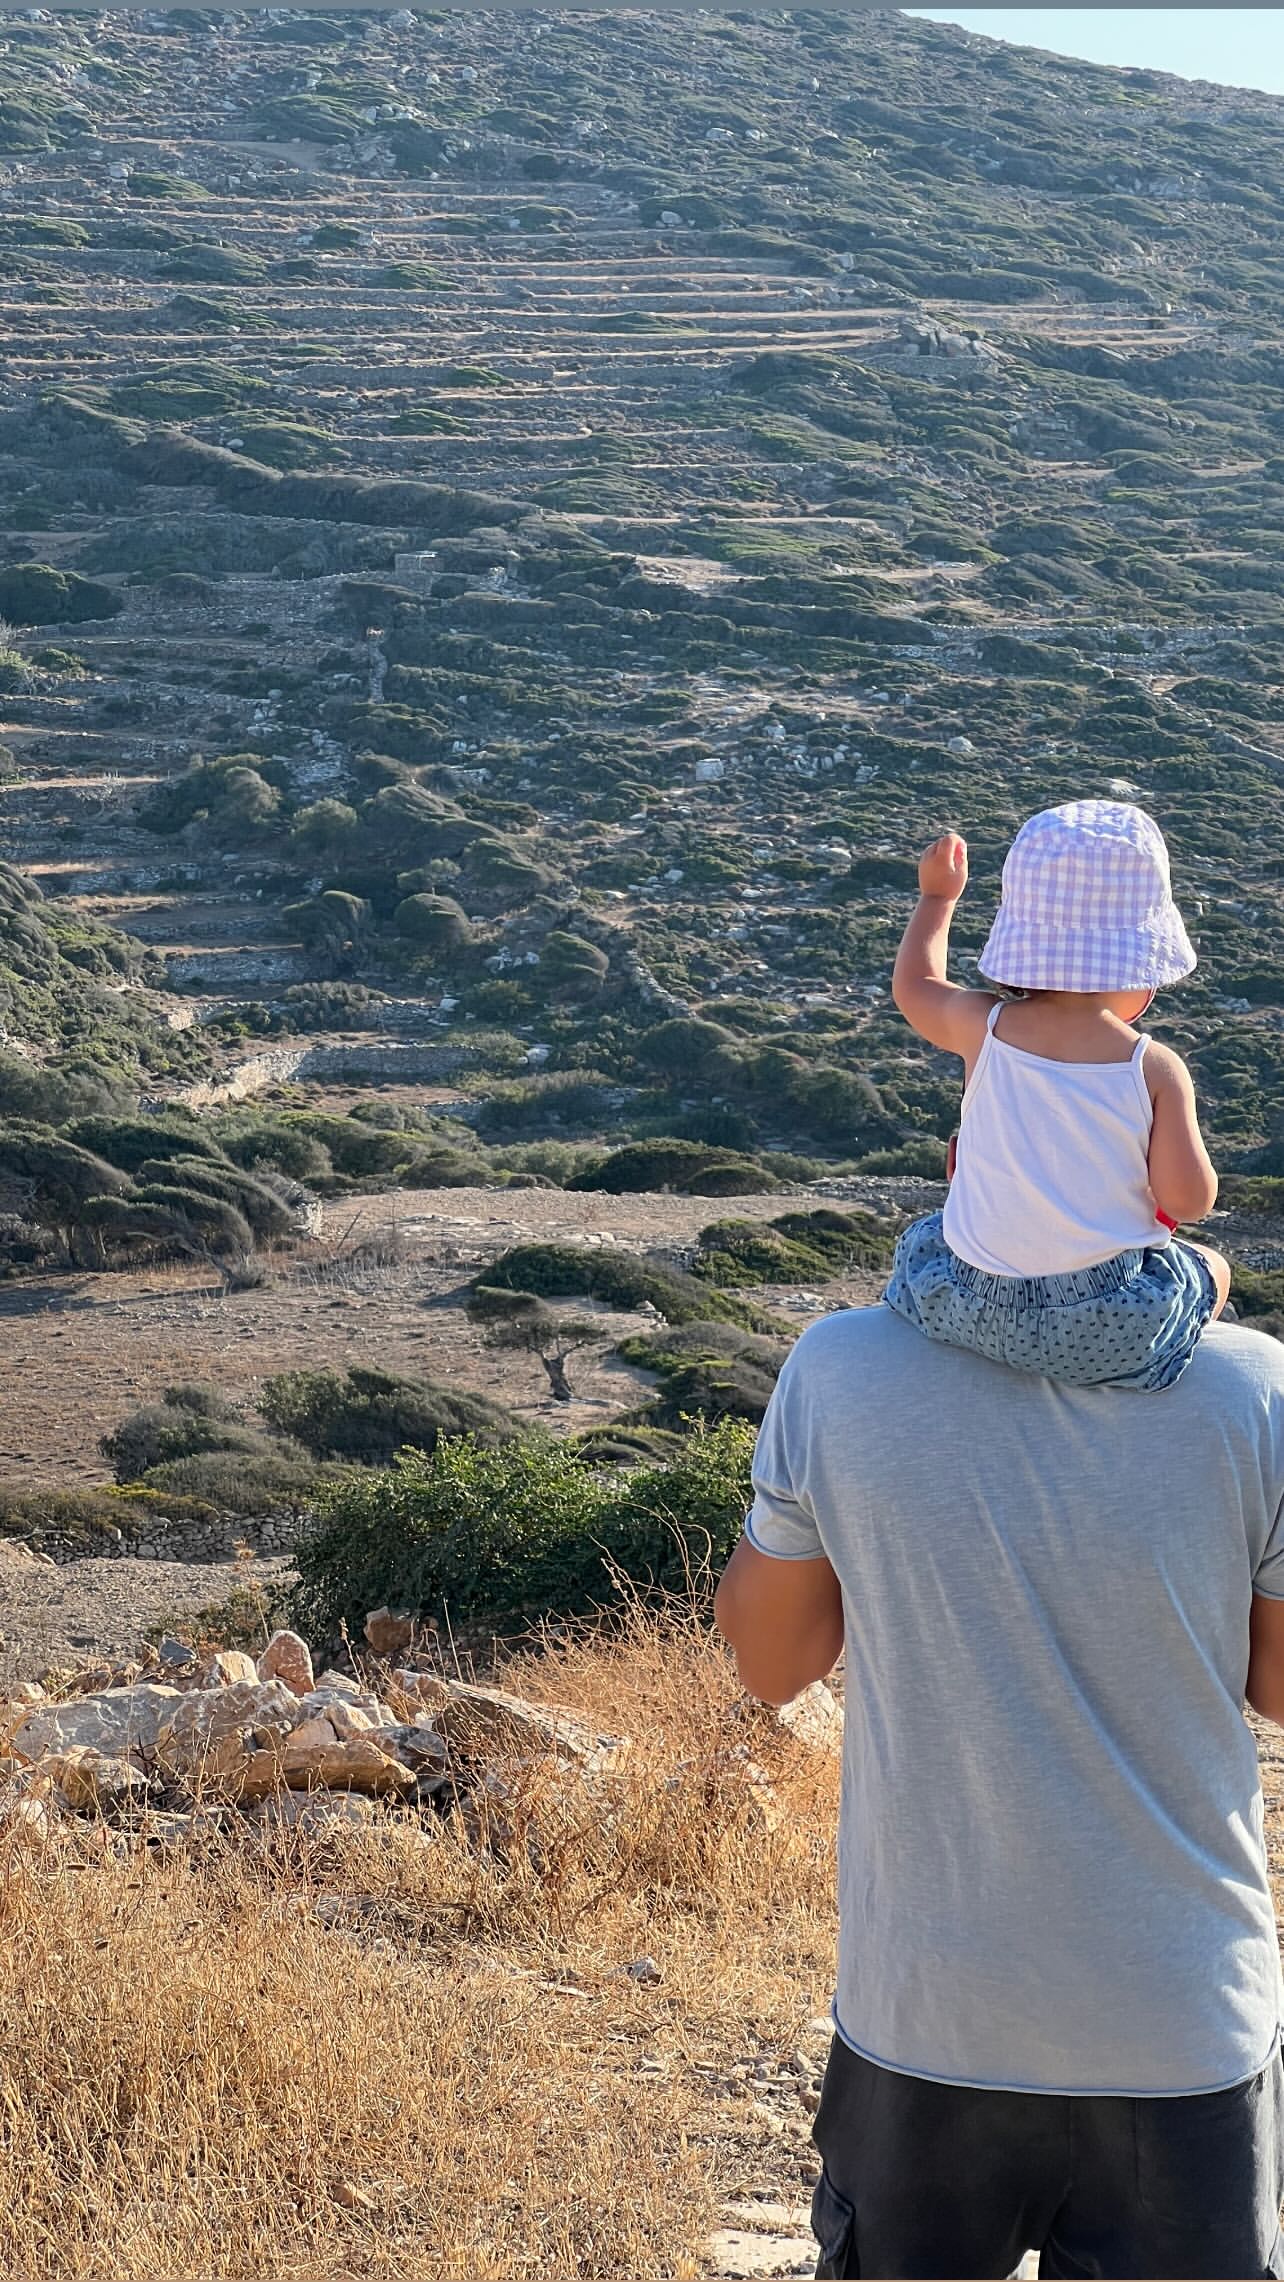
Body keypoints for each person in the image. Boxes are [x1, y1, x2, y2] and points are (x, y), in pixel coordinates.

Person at [714, 1307, 1284, 2279]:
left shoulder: (843, 1365)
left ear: (953, 1162)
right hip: (1180, 2015)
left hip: (930, 2006)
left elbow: (771, 1663)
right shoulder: (1254, 1381)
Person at [884, 800, 1230, 1390]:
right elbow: (1188, 1201)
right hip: (1102, 1329)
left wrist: (937, 899)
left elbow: (915, 985)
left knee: (928, 1232)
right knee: (1211, 1268)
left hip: (965, 1303)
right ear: (1144, 966)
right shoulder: (1154, 1067)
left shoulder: (980, 1024)